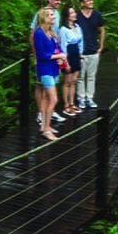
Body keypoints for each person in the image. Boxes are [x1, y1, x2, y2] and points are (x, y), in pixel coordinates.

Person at [32, 8, 66, 140]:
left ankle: (45, 126)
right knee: (53, 99)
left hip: (53, 68)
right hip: (45, 69)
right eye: (51, 15)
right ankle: (46, 129)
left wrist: (60, 57)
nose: (53, 17)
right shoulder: (39, 33)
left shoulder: (51, 33)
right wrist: (57, 55)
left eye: (53, 15)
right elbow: (42, 54)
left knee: (47, 99)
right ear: (44, 17)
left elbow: (56, 49)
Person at [75, 0, 105, 109]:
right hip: (82, 52)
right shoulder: (77, 16)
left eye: (91, 0)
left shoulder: (97, 15)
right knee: (81, 77)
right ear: (82, 3)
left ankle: (90, 98)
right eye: (88, 0)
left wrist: (101, 46)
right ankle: (81, 98)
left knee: (91, 76)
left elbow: (102, 30)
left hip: (94, 51)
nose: (91, 2)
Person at [58, 7, 84, 116]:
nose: (74, 14)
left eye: (74, 12)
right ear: (67, 15)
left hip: (76, 53)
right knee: (67, 82)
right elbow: (62, 46)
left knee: (74, 80)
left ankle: (72, 103)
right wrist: (65, 62)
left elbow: (81, 42)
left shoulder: (77, 27)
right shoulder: (63, 29)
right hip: (68, 54)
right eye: (72, 12)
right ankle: (66, 105)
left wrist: (81, 55)